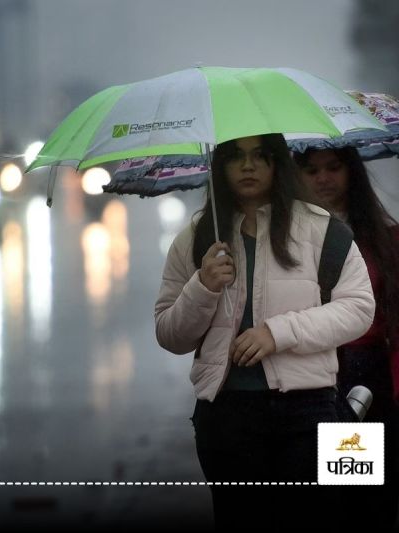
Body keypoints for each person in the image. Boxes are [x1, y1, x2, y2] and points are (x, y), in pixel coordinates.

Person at [154, 134, 375, 531]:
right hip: (226, 416)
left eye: (260, 155)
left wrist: (278, 332)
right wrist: (202, 286)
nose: (249, 166)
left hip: (309, 412)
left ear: (277, 163)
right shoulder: (196, 238)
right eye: (236, 157)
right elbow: (171, 335)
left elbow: (358, 308)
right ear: (219, 167)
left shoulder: (321, 230)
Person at [295, 146, 399, 530]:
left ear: (351, 172)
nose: (323, 178)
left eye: (334, 168)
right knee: (319, 503)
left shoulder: (382, 240)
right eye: (312, 170)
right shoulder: (285, 241)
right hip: (306, 380)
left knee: (360, 497)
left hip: (361, 380)